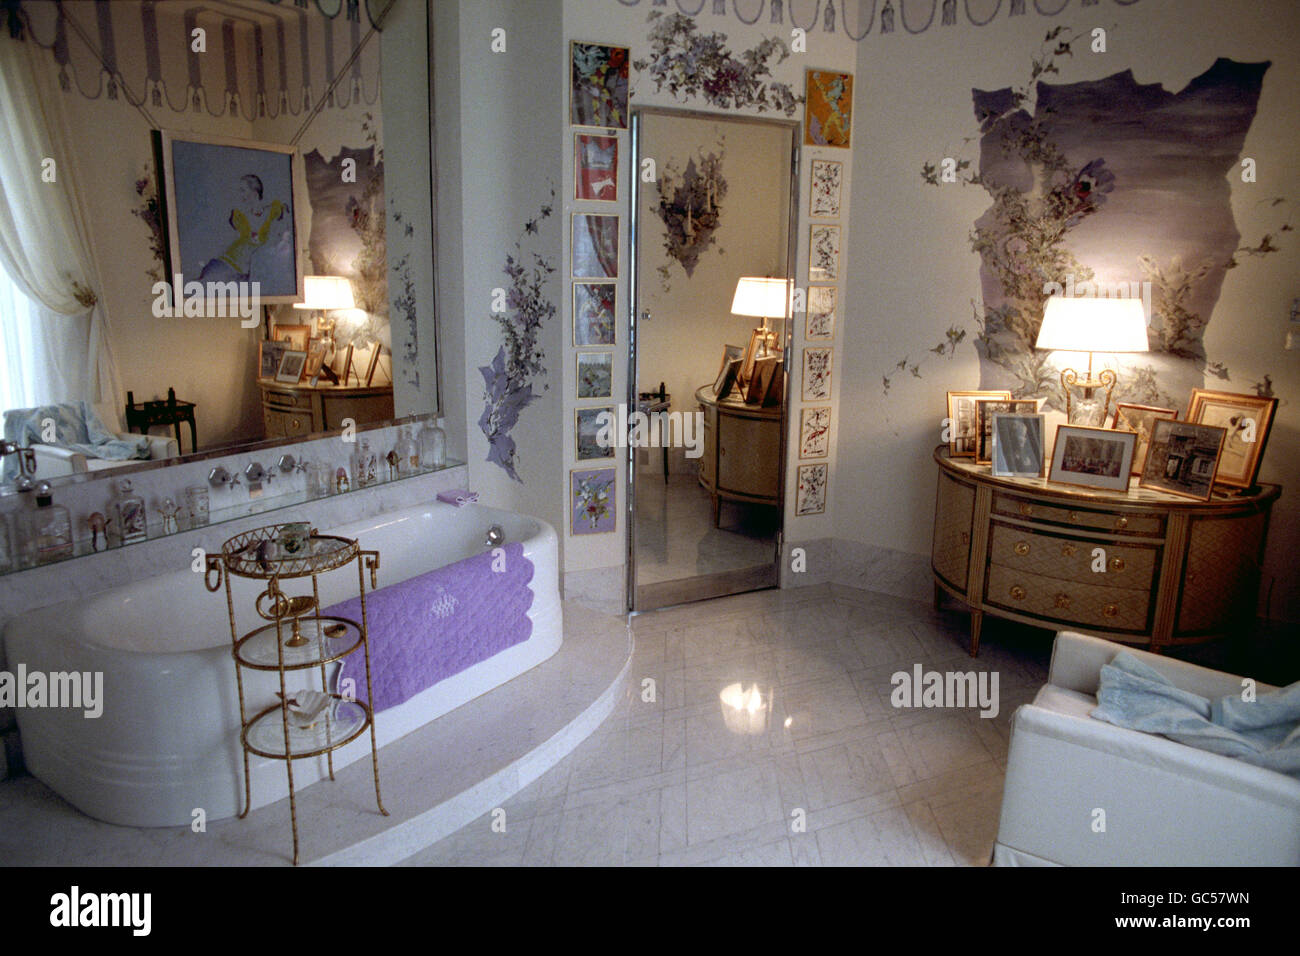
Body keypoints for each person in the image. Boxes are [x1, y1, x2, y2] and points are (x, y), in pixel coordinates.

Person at [197, 174, 287, 283]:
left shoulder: (273, 211)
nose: (240, 195)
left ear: (254, 193)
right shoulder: (238, 216)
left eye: (243, 190)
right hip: (225, 265)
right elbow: (225, 241)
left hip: (243, 272)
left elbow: (282, 231)